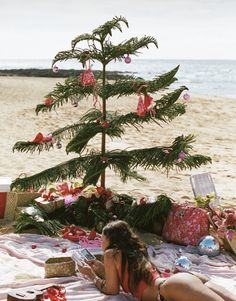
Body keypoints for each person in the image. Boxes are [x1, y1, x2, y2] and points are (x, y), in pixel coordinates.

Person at [78, 220, 236, 301]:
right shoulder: (132, 251)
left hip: (170, 289)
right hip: (181, 281)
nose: (101, 243)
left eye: (102, 239)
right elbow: (122, 278)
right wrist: (101, 270)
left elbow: (112, 290)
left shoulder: (110, 254)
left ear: (111, 240)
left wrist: (92, 276)